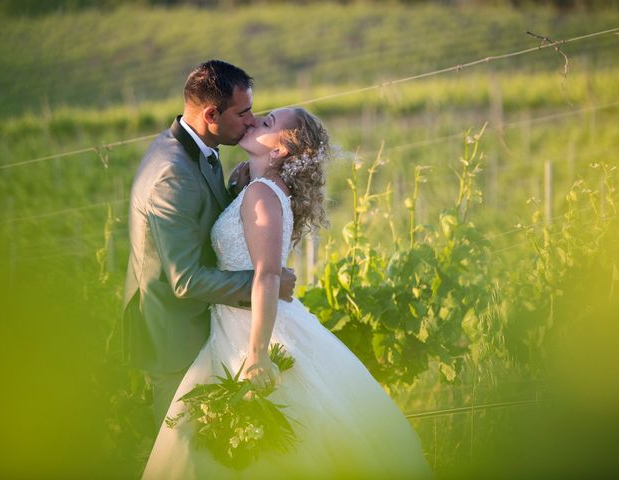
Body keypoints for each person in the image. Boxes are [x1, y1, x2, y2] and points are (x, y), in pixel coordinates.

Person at [142, 107, 432, 479]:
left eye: (266, 123)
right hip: (233, 322)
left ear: (280, 151)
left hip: (251, 330)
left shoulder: (262, 195)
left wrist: (258, 355)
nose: (253, 121)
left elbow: (266, 278)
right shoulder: (256, 188)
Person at [122, 60, 296, 432]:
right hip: (174, 336)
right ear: (211, 114)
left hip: (204, 325)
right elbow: (184, 280)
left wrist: (238, 191)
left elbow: (202, 222)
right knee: (181, 452)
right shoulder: (173, 174)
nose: (252, 121)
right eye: (244, 112)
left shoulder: (198, 148)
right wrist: (267, 282)